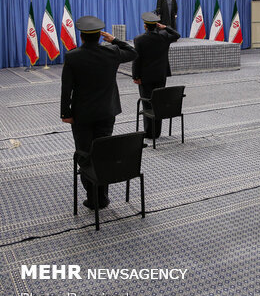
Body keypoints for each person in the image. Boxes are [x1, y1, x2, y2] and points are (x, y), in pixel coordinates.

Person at [60, 16, 138, 209]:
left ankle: (92, 197)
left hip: (82, 115)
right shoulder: (111, 52)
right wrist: (114, 40)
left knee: (85, 154)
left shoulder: (72, 56)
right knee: (103, 154)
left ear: (81, 36)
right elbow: (133, 52)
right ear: (99, 36)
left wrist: (65, 113)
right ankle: (102, 197)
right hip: (106, 112)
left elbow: (66, 88)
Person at [132, 12, 181, 139]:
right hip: (161, 76)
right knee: (158, 103)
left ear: (145, 26)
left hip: (145, 78)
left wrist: (135, 76)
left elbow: (136, 59)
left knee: (147, 104)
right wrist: (165, 27)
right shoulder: (164, 37)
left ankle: (149, 133)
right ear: (157, 25)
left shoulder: (139, 39)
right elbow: (177, 35)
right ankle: (157, 132)